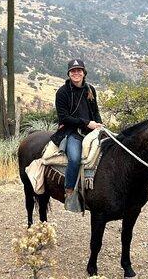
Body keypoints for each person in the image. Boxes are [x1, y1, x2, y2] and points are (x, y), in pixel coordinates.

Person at [50, 59, 103, 203]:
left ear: (84, 73)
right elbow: (64, 118)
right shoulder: (62, 92)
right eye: (73, 71)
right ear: (69, 74)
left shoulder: (90, 89)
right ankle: (69, 191)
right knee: (74, 158)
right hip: (71, 132)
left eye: (79, 70)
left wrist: (99, 124)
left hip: (91, 130)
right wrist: (86, 123)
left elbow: (95, 111)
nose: (76, 73)